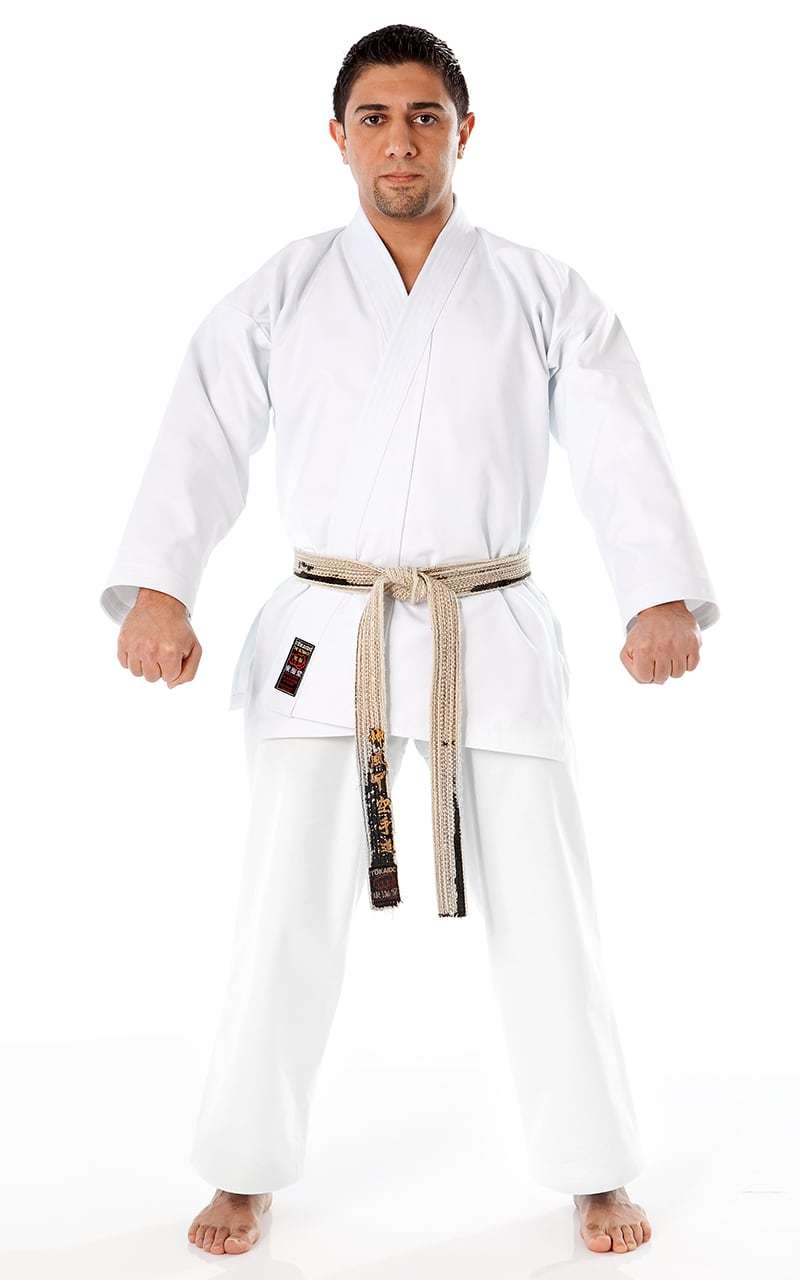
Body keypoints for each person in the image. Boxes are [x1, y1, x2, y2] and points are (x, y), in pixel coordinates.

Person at [99, 23, 719, 1257]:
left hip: (485, 622)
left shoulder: (540, 291)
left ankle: (593, 1165)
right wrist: (160, 587)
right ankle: (243, 1165)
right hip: (328, 629)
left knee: (547, 907)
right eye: (375, 118)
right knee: (281, 905)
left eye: (423, 116)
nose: (400, 140)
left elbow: (615, 437)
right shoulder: (283, 289)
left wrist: (653, 591)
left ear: (462, 132)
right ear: (336, 138)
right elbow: (202, 430)